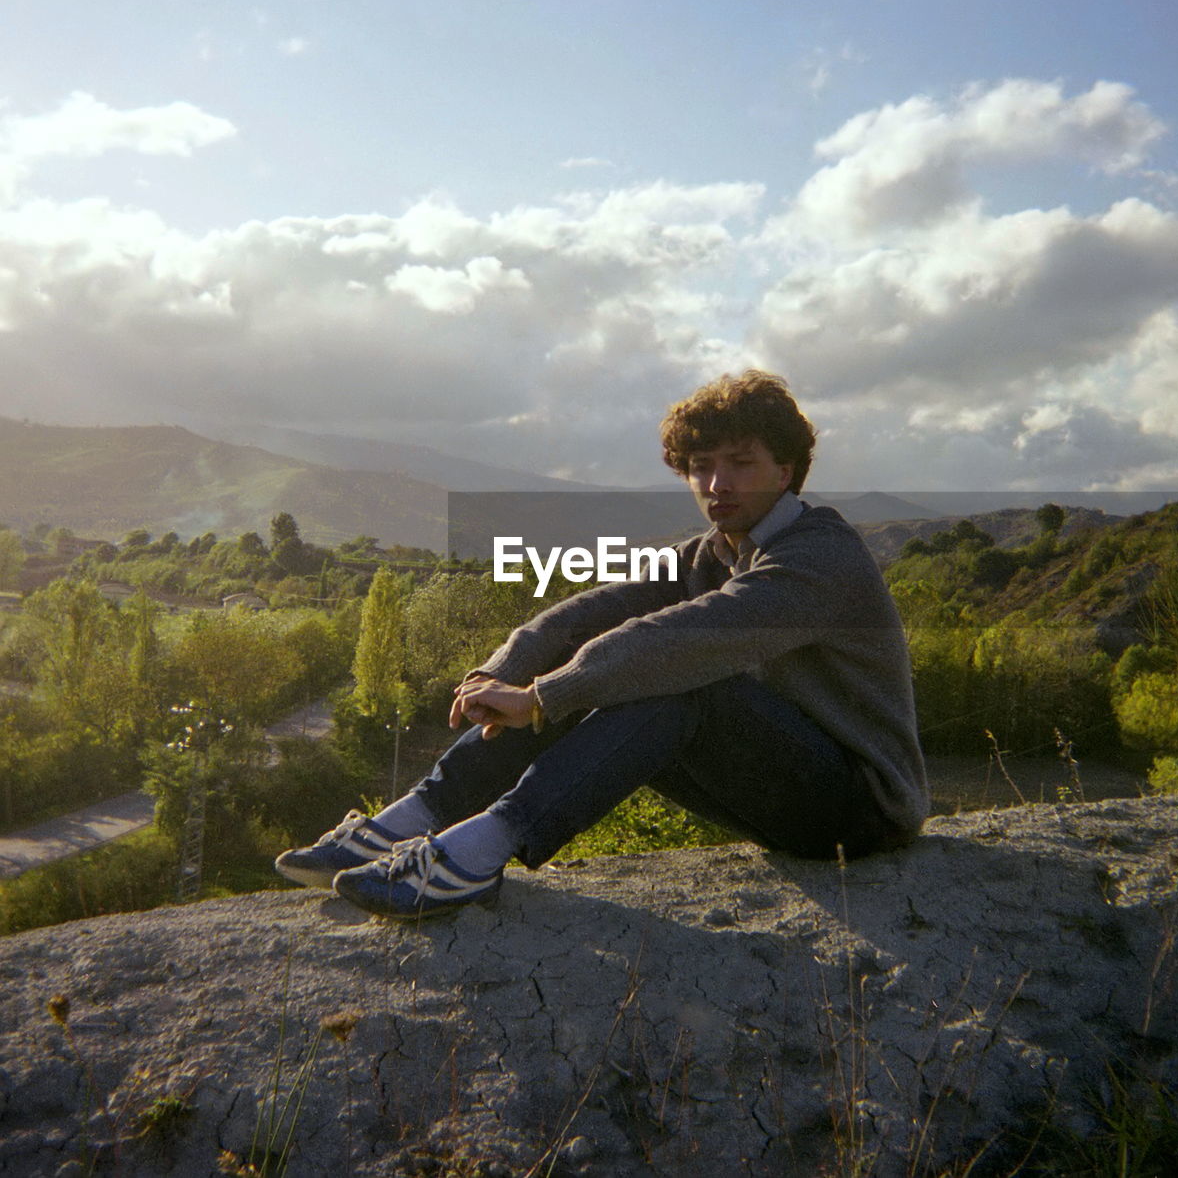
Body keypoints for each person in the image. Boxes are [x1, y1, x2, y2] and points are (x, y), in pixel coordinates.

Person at [276, 370, 929, 919]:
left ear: (785, 469)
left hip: (860, 809)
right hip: (777, 788)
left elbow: (688, 640)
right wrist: (500, 674)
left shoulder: (821, 555)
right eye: (701, 467)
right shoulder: (715, 551)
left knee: (678, 676)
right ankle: (406, 821)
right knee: (605, 665)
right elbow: (593, 611)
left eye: (741, 463)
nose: (717, 485)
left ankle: (479, 852)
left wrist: (540, 696)